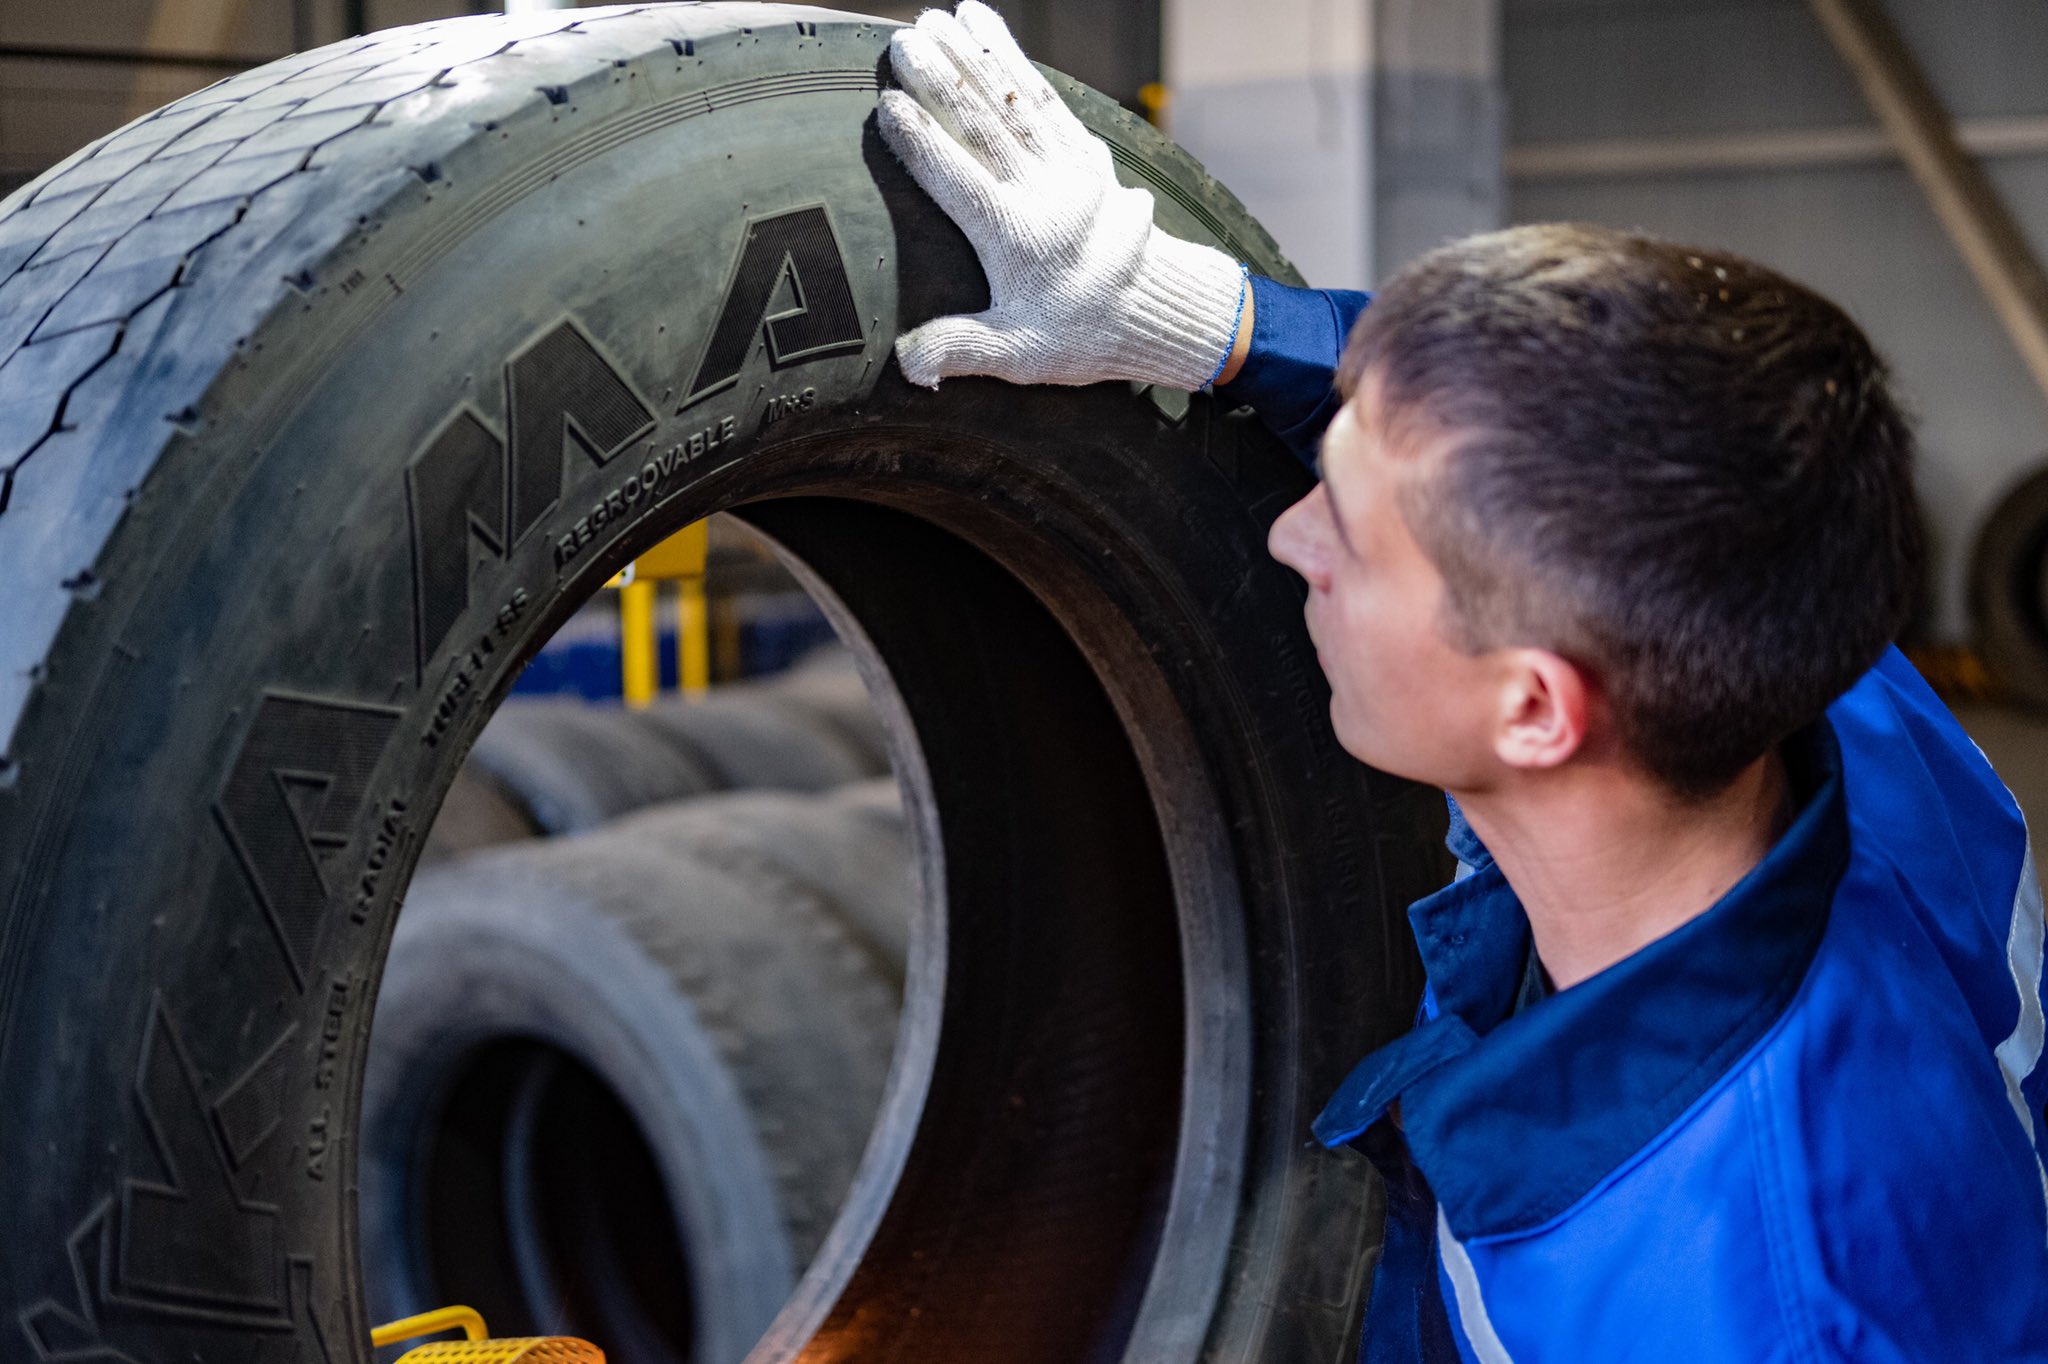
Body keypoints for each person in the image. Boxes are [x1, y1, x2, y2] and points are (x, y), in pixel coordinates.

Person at [875, 4, 2048, 1361]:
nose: (1285, 533)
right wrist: (1207, 321)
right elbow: (1536, 449)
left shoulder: (1731, 1305)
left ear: (1537, 709)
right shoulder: (1784, 642)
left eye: (1353, 539)